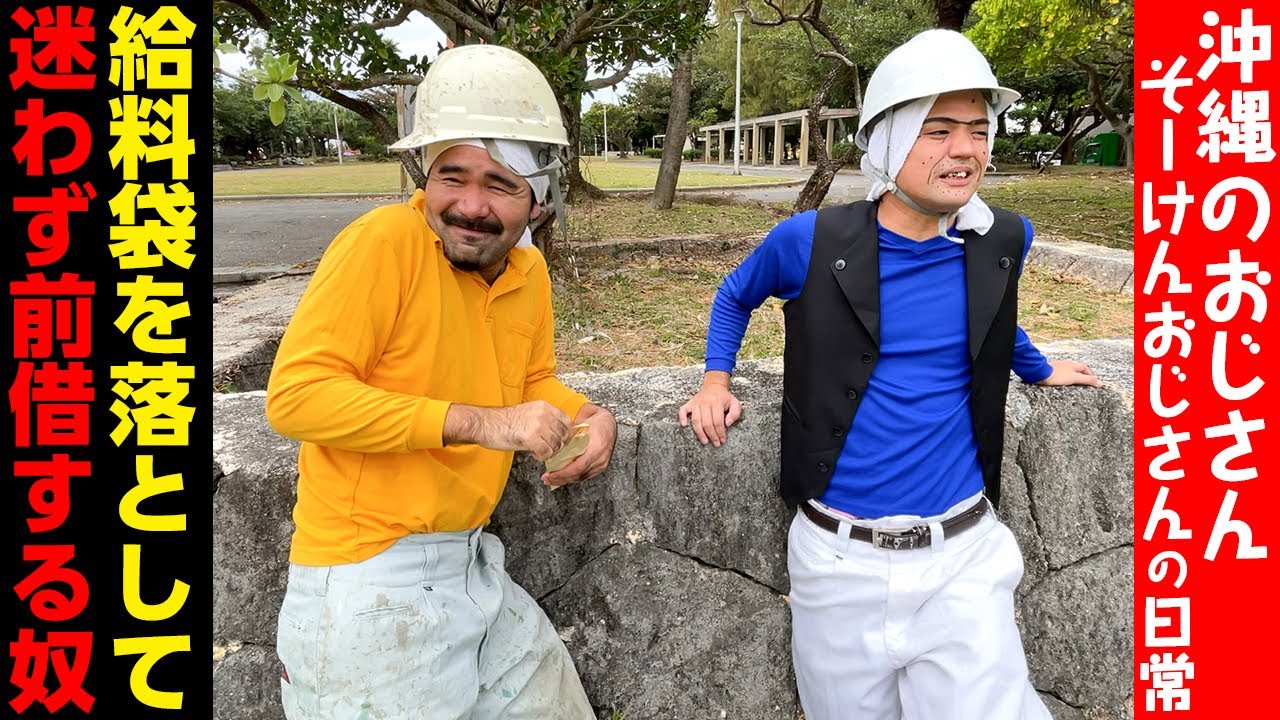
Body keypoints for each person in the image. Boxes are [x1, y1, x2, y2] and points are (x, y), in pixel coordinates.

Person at [678, 28, 1102, 720]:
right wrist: (714, 381)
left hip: (962, 556)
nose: (964, 150)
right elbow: (735, 294)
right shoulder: (811, 241)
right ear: (885, 141)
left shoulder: (1003, 238)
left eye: (976, 129)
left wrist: (1038, 365)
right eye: (937, 130)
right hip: (835, 559)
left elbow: (989, 317)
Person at [265, 44, 616, 720]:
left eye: (501, 183)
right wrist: (483, 423)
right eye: (451, 176)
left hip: (471, 561)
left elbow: (532, 378)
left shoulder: (527, 272)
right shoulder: (382, 245)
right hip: (366, 576)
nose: (469, 206)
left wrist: (594, 416)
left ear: (540, 198)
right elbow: (297, 396)